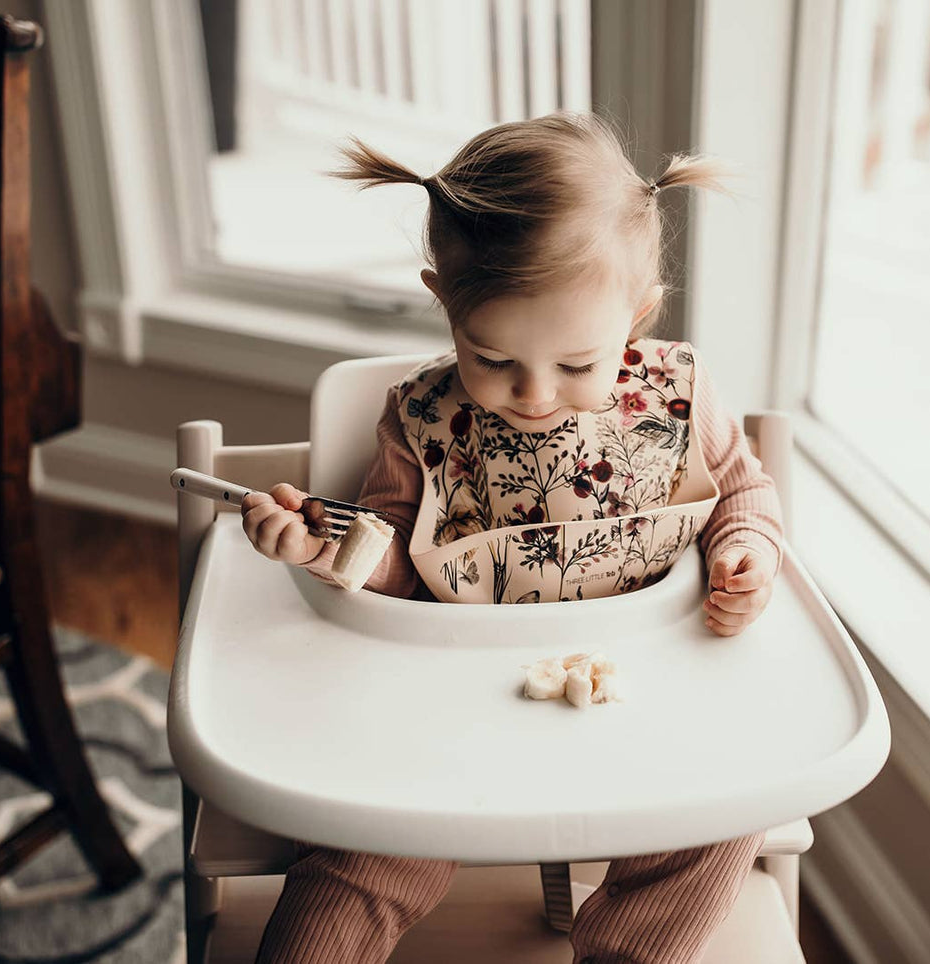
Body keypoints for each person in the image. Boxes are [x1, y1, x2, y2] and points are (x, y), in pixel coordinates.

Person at [240, 112, 784, 964]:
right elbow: (392, 554)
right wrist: (325, 549)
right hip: (449, 708)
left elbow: (740, 491)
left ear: (635, 317)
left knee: (723, 815)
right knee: (359, 852)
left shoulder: (675, 397)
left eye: (575, 364)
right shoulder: (420, 419)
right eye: (489, 357)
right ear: (443, 302)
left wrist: (742, 550)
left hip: (640, 698)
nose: (532, 394)